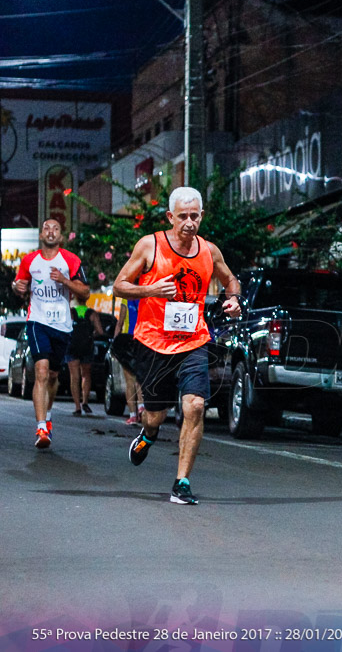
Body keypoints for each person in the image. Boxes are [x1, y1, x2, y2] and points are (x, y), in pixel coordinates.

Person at [113, 186, 241, 505]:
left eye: (194, 215)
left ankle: (181, 481)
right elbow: (119, 286)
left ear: (201, 216)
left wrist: (234, 300)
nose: (188, 222)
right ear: (170, 216)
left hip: (193, 340)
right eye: (182, 216)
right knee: (155, 416)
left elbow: (231, 281)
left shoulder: (209, 251)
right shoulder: (150, 245)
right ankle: (149, 434)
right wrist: (151, 289)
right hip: (153, 343)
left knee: (195, 405)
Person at [12, 218, 90, 449]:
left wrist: (64, 280)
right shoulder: (29, 260)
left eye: (56, 228)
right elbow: (19, 285)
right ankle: (41, 426)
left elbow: (84, 293)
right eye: (46, 227)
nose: (51, 231)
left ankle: (48, 415)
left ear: (61, 237)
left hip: (62, 326)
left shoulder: (70, 260)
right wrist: (18, 287)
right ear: (41, 235)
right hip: (37, 321)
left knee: (53, 376)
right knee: (41, 371)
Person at [67, 299, 106, 416]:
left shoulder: (70, 312)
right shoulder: (92, 313)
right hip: (87, 347)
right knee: (86, 374)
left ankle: (77, 406)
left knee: (74, 376)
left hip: (72, 347)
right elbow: (100, 331)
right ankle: (85, 401)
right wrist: (91, 335)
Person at [112, 297, 144, 425]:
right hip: (142, 339)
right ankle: (141, 406)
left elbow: (120, 323)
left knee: (129, 380)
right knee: (140, 377)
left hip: (127, 340)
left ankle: (133, 415)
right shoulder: (145, 297)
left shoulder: (126, 299)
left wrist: (114, 345)